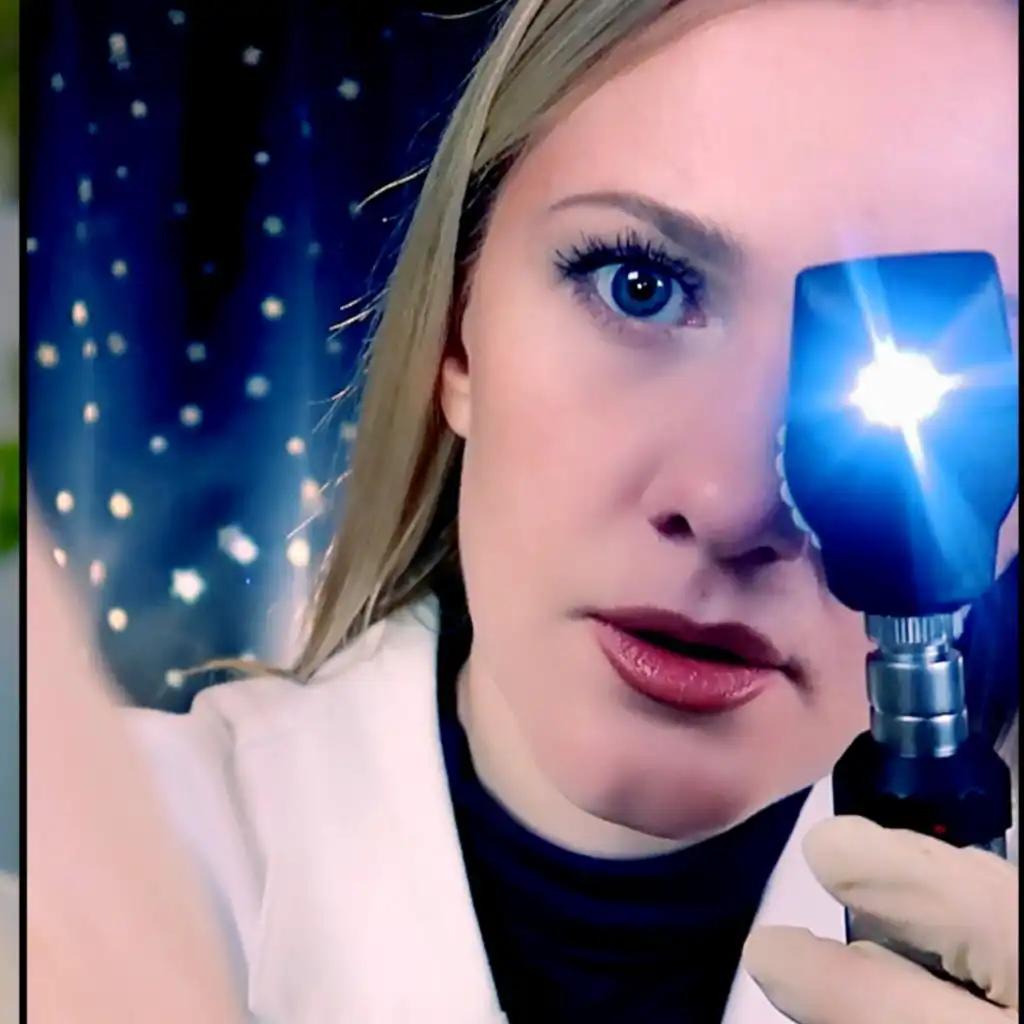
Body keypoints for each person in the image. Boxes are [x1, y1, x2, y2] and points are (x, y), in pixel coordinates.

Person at [25, 0, 1019, 1020]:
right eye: (639, 286)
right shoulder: (64, 888)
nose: (727, 504)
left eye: (937, 358)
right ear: (460, 335)